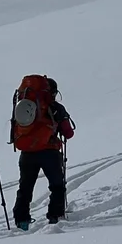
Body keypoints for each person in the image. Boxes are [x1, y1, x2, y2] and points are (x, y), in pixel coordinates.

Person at [9, 76, 74, 231]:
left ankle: (21, 221)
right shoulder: (55, 107)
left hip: (26, 153)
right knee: (57, 185)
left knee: (25, 187)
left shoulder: (24, 104)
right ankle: (55, 217)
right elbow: (68, 133)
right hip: (49, 152)